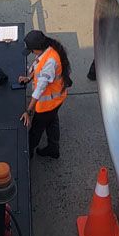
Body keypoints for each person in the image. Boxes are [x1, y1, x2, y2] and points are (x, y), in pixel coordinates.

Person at [18, 30, 71, 159]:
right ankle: (53, 149)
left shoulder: (50, 62)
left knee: (36, 129)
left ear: (37, 48)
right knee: (52, 121)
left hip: (48, 104)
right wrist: (29, 78)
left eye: (32, 50)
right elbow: (38, 67)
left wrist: (28, 111)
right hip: (57, 98)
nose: (32, 53)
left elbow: (40, 89)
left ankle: (28, 153)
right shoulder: (49, 48)